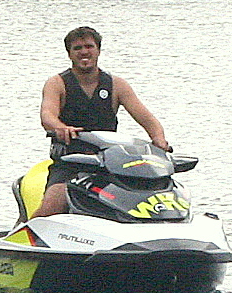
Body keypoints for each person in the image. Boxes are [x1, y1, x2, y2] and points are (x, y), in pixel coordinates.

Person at [35, 26, 169, 218]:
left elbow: (148, 119)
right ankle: (26, 231)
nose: (84, 52)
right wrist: (61, 128)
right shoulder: (57, 84)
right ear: (69, 54)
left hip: (109, 164)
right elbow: (47, 115)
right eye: (77, 48)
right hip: (69, 163)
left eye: (89, 47)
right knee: (53, 205)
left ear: (98, 50)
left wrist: (159, 140)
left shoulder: (117, 85)